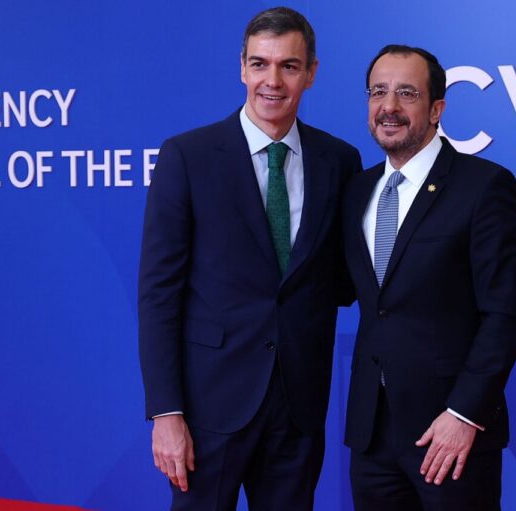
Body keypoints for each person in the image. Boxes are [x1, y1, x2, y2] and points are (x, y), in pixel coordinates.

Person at [137, 7, 361, 510]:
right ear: (241, 67)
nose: (272, 81)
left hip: (298, 408)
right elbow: (158, 294)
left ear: (312, 72)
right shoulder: (187, 157)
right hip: (207, 410)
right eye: (260, 64)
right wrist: (166, 412)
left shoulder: (339, 162)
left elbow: (342, 281)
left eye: (289, 65)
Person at [342, 44, 516, 510]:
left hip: (449, 436)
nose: (389, 107)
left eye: (407, 93)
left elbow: (504, 317)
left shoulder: (484, 186)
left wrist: (464, 413)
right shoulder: (357, 190)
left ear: (436, 109)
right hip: (372, 437)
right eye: (378, 92)